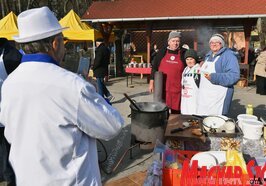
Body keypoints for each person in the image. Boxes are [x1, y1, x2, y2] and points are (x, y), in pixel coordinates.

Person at [0, 7, 124, 186]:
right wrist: (95, 93)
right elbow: (112, 126)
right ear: (55, 44)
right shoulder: (71, 85)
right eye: (62, 41)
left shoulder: (10, 83)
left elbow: (9, 130)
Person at [197, 33, 240, 116]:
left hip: (218, 98)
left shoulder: (228, 56)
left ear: (222, 44)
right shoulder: (209, 55)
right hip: (205, 97)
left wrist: (214, 77)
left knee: (216, 122)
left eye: (217, 42)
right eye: (212, 42)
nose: (214, 44)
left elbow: (234, 76)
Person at [0, 38, 22, 185]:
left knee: (6, 150)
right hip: (8, 113)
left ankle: (10, 178)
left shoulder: (10, 57)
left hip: (7, 113)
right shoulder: (12, 55)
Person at [149, 31, 186, 113]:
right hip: (163, 89)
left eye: (177, 41)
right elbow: (154, 67)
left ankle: (175, 125)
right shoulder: (162, 52)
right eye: (173, 41)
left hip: (177, 89)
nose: (175, 43)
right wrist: (151, 83)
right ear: (168, 41)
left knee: (176, 113)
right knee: (162, 111)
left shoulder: (184, 53)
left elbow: (193, 61)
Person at [181, 49, 201, 115]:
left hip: (194, 101)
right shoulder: (185, 69)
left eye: (191, 59)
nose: (189, 61)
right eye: (187, 59)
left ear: (195, 59)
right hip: (185, 100)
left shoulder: (197, 70)